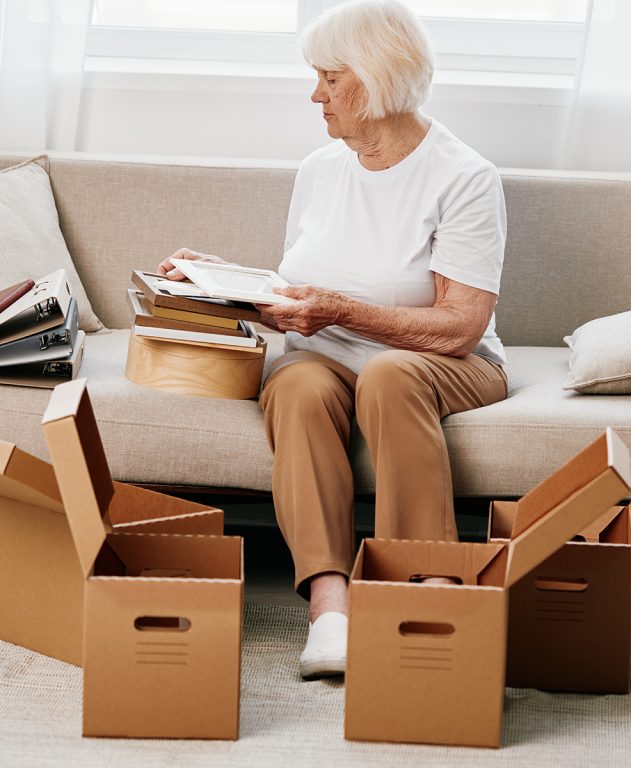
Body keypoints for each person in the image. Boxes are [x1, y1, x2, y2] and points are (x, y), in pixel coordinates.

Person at [158, 0, 508, 680]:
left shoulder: (464, 176)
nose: (315, 94)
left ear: (378, 78)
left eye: (330, 78)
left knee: (390, 375)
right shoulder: (321, 168)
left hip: (443, 361)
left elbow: (461, 324)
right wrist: (219, 280)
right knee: (296, 386)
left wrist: (340, 311)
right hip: (328, 356)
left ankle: (425, 589)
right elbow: (299, 293)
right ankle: (330, 606)